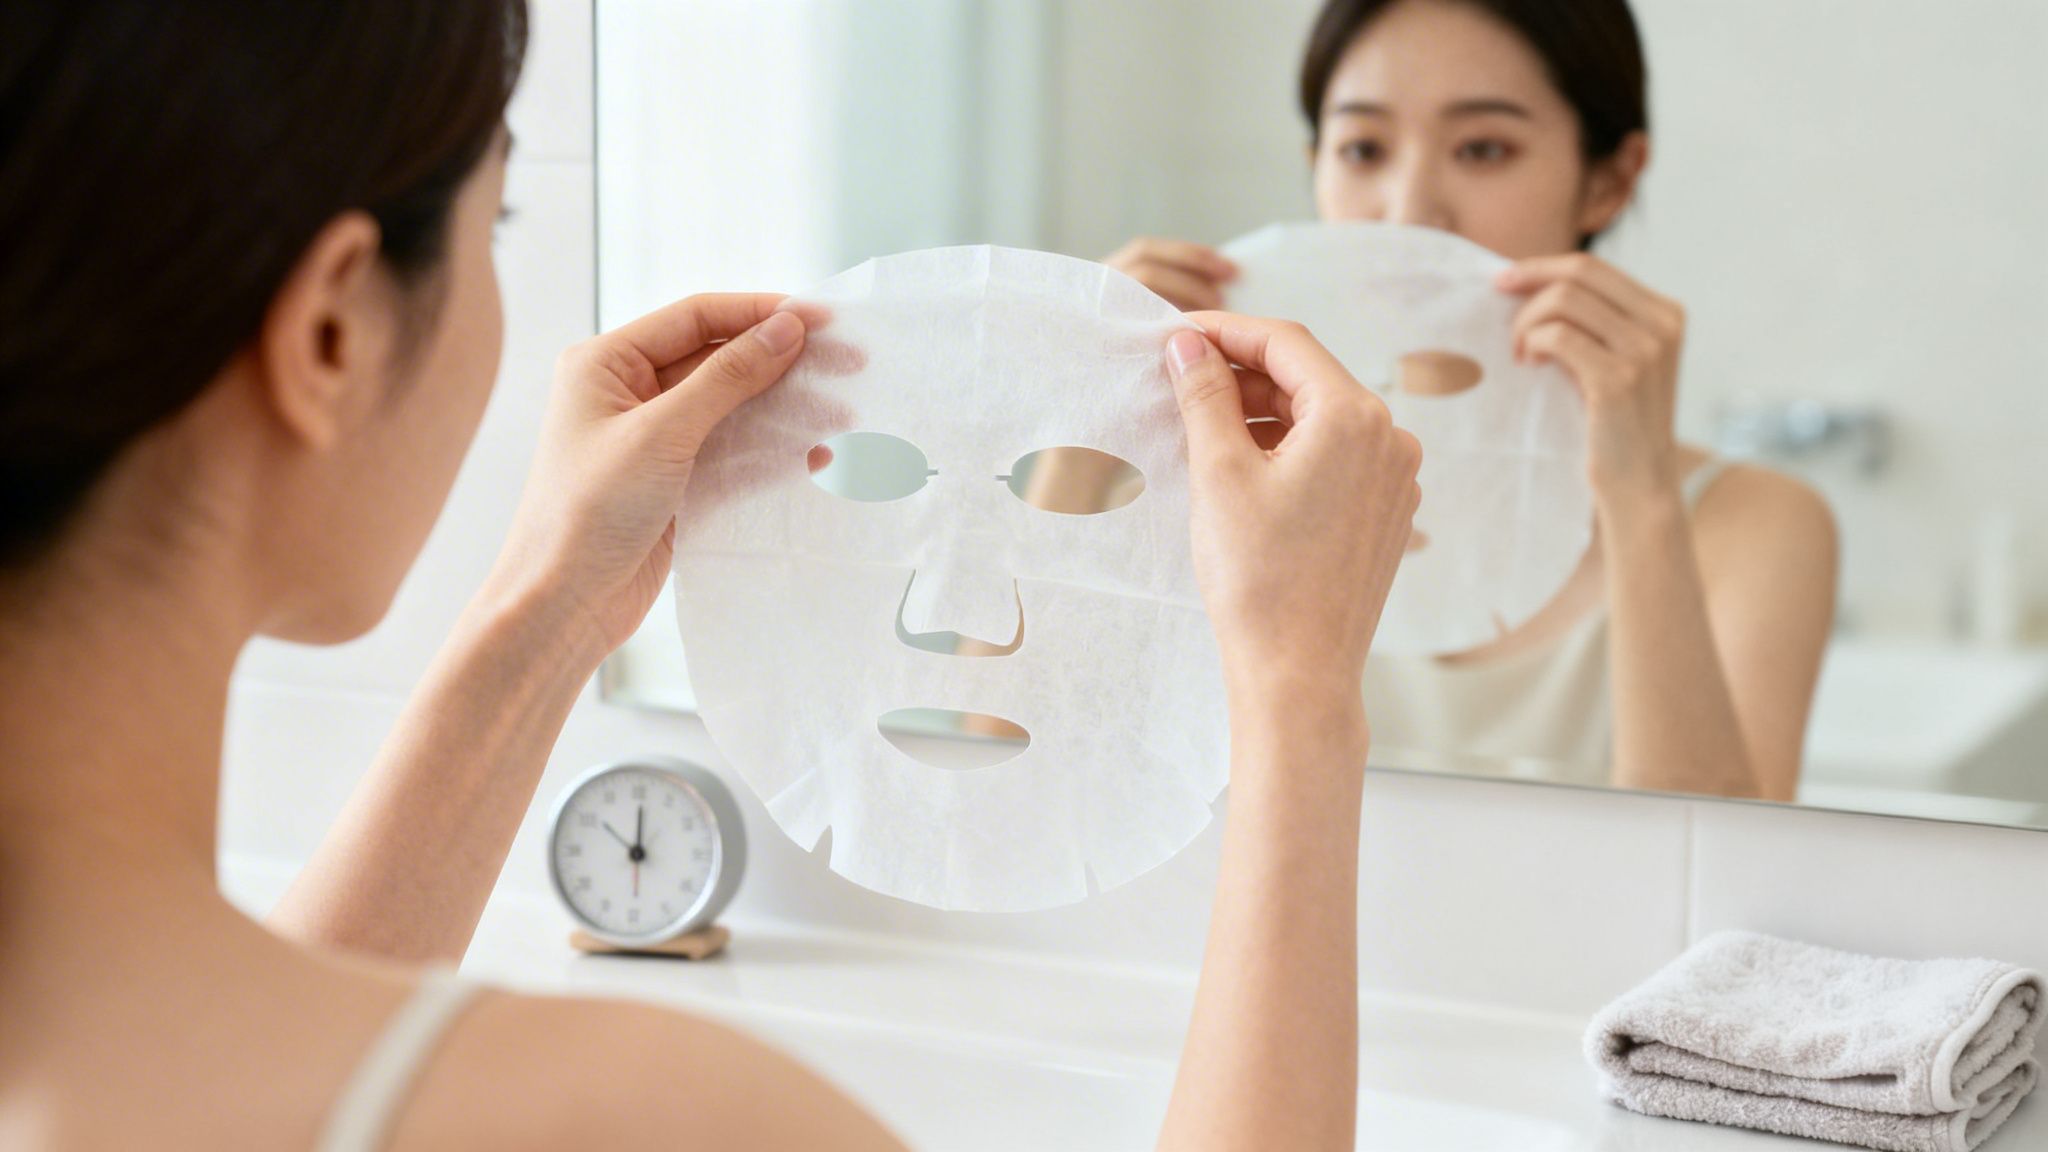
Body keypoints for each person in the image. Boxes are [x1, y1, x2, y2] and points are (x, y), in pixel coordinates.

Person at [0, 3, 1418, 1148]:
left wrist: (552, 603)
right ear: (331, 337)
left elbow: (265, 1065)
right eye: (499, 227)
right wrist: (1298, 701)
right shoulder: (637, 1116)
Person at [1108, 0, 1837, 801]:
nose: (1411, 207)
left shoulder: (1756, 527)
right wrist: (1081, 419)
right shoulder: (1208, 481)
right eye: (1362, 149)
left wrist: (1641, 497)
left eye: (1483, 149)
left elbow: (1713, 884)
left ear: (1609, 180)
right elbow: (1005, 798)